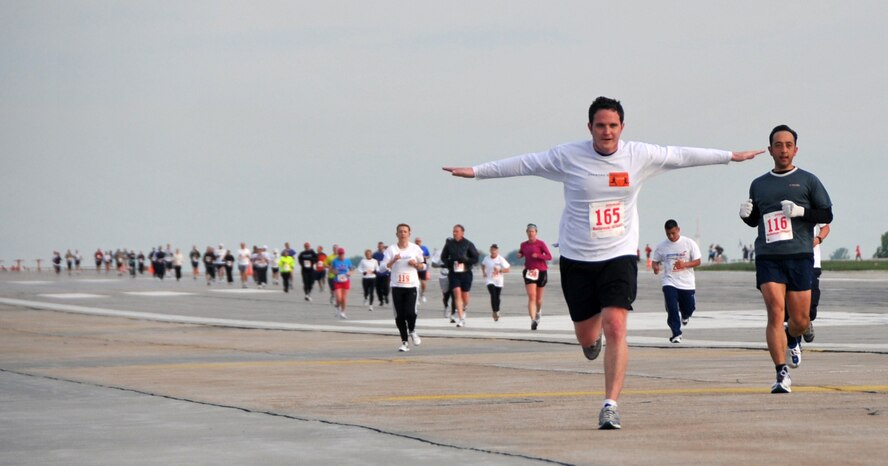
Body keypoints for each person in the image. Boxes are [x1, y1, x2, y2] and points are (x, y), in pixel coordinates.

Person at [444, 96, 762, 429]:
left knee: (616, 326)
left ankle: (610, 403)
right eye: (600, 125)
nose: (606, 132)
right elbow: (526, 163)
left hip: (619, 255)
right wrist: (476, 172)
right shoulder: (568, 156)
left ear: (622, 127)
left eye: (613, 125)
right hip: (577, 258)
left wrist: (729, 157)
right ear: (590, 128)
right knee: (587, 336)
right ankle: (590, 341)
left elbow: (681, 155)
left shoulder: (638, 155)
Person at [739, 124, 833, 394]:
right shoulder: (759, 184)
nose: (783, 150)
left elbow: (826, 215)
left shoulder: (808, 181)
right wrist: (747, 216)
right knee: (775, 312)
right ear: (770, 150)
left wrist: (801, 212)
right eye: (778, 145)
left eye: (788, 145)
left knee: (800, 320)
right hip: (769, 257)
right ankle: (781, 373)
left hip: (800, 257)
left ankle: (794, 338)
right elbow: (756, 220)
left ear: (795, 149)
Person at [651, 219, 702, 343]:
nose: (671, 236)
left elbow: (698, 261)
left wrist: (685, 264)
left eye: (673, 233)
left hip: (687, 282)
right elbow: (655, 261)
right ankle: (676, 333)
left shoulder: (689, 243)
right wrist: (656, 268)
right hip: (669, 281)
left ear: (678, 230)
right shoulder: (661, 246)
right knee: (672, 307)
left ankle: (685, 315)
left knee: (689, 307)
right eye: (668, 234)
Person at [383, 224, 425, 352]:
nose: (403, 234)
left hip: (411, 285)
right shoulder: (391, 250)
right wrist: (393, 261)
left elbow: (423, 266)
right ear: (397, 234)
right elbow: (382, 267)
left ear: (409, 233)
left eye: (405, 231)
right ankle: (404, 342)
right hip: (397, 285)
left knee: (410, 312)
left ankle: (412, 330)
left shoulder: (415, 249)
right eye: (400, 231)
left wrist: (416, 264)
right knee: (400, 316)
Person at [785, 224, 830, 343]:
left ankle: (807, 321)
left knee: (812, 299)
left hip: (811, 261)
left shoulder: (813, 206)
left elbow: (825, 227)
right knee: (791, 305)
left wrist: (818, 240)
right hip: (787, 259)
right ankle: (794, 344)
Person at [440, 224, 480, 328]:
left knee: (465, 295)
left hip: (466, 272)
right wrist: (449, 262)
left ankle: (464, 307)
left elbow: (475, 258)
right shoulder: (449, 244)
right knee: (457, 293)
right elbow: (443, 257)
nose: (454, 233)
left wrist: (466, 260)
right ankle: (461, 319)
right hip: (454, 273)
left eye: (456, 231)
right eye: (453, 231)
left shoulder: (468, 244)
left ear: (462, 232)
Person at [518, 223, 552, 330]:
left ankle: (538, 312)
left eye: (533, 231)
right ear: (526, 233)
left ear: (536, 233)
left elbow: (549, 257)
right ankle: (533, 320)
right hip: (529, 272)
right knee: (532, 296)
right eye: (529, 231)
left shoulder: (541, 243)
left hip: (541, 271)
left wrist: (538, 256)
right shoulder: (523, 244)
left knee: (539, 299)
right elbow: (522, 252)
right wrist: (520, 255)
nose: (531, 233)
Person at [481, 244, 510, 322]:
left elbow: (508, 269)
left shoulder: (500, 259)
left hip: (498, 280)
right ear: (490, 251)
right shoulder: (486, 258)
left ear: (497, 251)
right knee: (493, 295)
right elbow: (483, 265)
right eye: (492, 250)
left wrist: (500, 271)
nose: (493, 251)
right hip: (489, 280)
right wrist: (484, 272)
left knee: (497, 297)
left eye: (495, 250)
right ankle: (494, 311)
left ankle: (497, 310)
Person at [330, 247, 353, 319]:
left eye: (342, 254)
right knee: (339, 298)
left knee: (344, 298)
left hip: (346, 281)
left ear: (344, 254)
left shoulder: (348, 261)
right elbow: (330, 270)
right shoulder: (335, 261)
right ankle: (337, 308)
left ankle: (343, 312)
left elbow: (352, 269)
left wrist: (350, 273)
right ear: (338, 254)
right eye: (340, 254)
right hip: (337, 281)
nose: (341, 256)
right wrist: (334, 272)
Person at [372, 241, 391, 306]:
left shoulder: (386, 253)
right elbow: (372, 262)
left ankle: (386, 296)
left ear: (383, 247)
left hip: (386, 273)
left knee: (386, 286)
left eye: (382, 246)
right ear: (378, 247)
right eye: (379, 246)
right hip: (378, 273)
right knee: (378, 288)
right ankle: (381, 300)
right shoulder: (375, 254)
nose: (380, 247)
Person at [415, 237, 431, 303]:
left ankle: (422, 294)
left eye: (419, 241)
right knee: (416, 284)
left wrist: (424, 257)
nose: (418, 242)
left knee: (423, 283)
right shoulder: (413, 248)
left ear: (421, 241)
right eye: (417, 241)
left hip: (423, 267)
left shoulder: (424, 248)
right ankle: (416, 297)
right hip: (415, 267)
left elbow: (428, 256)